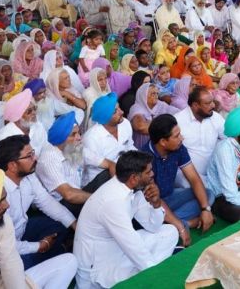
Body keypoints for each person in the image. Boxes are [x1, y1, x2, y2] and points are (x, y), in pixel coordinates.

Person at [73, 150, 178, 288]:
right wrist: (157, 277)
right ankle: (149, 276)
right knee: (143, 259)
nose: (152, 174)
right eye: (148, 172)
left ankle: (145, 274)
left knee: (170, 232)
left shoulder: (133, 189)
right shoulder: (113, 202)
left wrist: (156, 204)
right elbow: (132, 246)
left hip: (117, 250)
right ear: (134, 178)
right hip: (98, 269)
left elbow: (154, 227)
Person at [0, 134, 77, 269]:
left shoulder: (29, 177)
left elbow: (47, 202)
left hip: (22, 230)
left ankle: (52, 254)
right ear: (13, 165)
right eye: (29, 156)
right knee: (23, 263)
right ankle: (51, 254)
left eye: (33, 153)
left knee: (61, 225)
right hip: (3, 248)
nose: (35, 158)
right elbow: (2, 245)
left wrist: (74, 224)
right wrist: (39, 246)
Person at [142, 114, 214, 244]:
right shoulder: (145, 159)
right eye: (176, 136)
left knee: (208, 195)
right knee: (153, 216)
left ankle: (173, 223)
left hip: (171, 196)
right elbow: (154, 199)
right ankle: (184, 223)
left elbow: (193, 178)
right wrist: (181, 228)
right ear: (163, 142)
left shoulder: (178, 148)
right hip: (152, 206)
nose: (181, 138)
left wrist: (205, 209)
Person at [36, 112, 108, 217]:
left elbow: (109, 164)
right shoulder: (49, 159)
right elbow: (68, 194)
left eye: (79, 133)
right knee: (103, 210)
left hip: (78, 193)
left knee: (107, 175)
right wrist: (98, 200)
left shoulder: (76, 148)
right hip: (61, 204)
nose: (79, 138)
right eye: (73, 135)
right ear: (61, 139)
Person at [174, 87, 225, 186]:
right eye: (208, 103)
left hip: (213, 171)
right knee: (189, 185)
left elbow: (229, 139)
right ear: (195, 105)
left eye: (212, 102)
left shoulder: (215, 117)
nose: (213, 105)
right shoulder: (178, 120)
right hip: (186, 174)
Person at [82, 93, 135, 186]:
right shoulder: (92, 138)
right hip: (101, 180)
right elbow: (94, 171)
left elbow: (129, 146)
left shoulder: (125, 123)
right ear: (105, 117)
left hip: (125, 171)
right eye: (115, 111)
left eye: (119, 108)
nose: (122, 112)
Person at [0, 88, 48, 155]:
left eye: (34, 108)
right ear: (17, 117)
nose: (34, 113)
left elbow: (46, 146)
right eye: (29, 111)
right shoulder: (4, 137)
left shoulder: (38, 125)